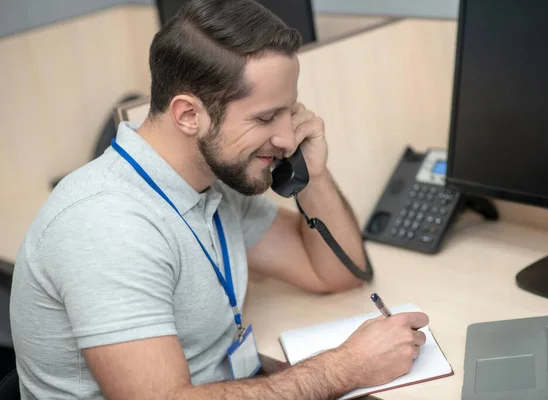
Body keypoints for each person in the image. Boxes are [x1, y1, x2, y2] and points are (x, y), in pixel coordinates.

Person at [9, 0, 429, 398]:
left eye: (290, 112)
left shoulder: (211, 182)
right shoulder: (108, 226)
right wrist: (344, 368)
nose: (286, 139)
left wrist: (312, 174)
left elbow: (334, 274)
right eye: (265, 118)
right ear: (189, 115)